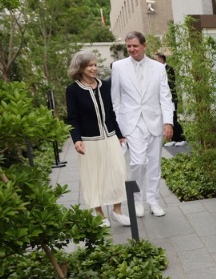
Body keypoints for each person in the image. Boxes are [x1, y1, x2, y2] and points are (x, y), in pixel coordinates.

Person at [110, 31, 174, 217]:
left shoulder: (158, 68)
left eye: (135, 46)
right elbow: (116, 99)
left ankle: (153, 201)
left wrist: (168, 122)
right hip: (130, 122)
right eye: (128, 46)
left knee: (154, 164)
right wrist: (117, 128)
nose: (131, 49)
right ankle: (137, 200)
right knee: (138, 162)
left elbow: (165, 96)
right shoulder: (118, 67)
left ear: (144, 46)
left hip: (154, 121)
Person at [64, 50, 130, 227]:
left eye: (95, 65)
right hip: (88, 141)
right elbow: (72, 118)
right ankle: (99, 214)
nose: (94, 68)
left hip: (109, 136)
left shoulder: (105, 85)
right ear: (81, 68)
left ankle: (117, 211)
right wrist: (76, 139)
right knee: (93, 176)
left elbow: (111, 113)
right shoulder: (73, 90)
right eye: (90, 65)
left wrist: (119, 134)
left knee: (118, 172)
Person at [153, 52, 186, 146]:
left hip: (171, 98)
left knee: (173, 118)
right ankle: (174, 139)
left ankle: (181, 138)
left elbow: (169, 85)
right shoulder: (160, 70)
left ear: (161, 60)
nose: (154, 61)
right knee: (169, 119)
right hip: (164, 99)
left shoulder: (168, 69)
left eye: (156, 59)